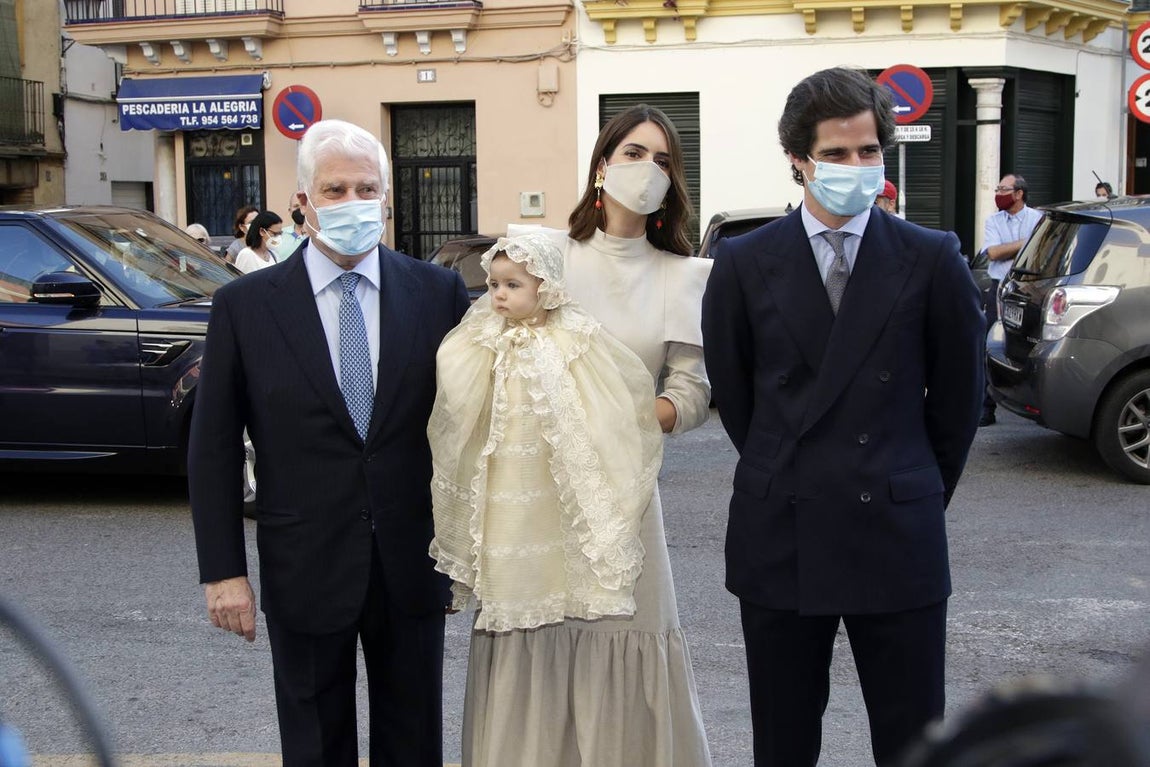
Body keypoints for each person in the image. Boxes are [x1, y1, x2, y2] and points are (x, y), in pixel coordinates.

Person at [701, 67, 985, 767]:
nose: (856, 168)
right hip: (782, 535)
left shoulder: (930, 256)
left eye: (868, 152)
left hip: (897, 531)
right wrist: (792, 467)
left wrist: (904, 483)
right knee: (784, 737)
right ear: (797, 159)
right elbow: (738, 399)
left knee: (914, 737)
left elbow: (958, 403)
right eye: (835, 153)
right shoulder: (743, 262)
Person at [187, 118, 469, 767]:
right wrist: (224, 572)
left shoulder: (438, 293)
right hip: (305, 563)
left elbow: (471, 430)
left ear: (388, 200)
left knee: (415, 740)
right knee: (315, 745)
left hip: (414, 561)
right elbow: (214, 448)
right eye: (334, 189)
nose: (351, 203)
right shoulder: (245, 306)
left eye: (365, 188)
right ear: (302, 203)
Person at [468, 104, 714, 766]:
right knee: (534, 650)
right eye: (633, 153)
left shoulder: (684, 276)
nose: (647, 170)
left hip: (623, 507)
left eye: (663, 160)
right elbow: (487, 353)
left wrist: (635, 415)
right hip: (530, 501)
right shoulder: (544, 255)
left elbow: (690, 392)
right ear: (602, 165)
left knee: (624, 650)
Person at [429, 232, 663, 635]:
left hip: (548, 460)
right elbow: (456, 384)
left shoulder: (572, 332)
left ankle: (556, 583)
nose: (499, 295)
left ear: (546, 286)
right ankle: (509, 586)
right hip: (503, 458)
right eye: (494, 285)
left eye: (513, 285)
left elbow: (603, 388)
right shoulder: (483, 333)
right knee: (505, 521)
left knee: (551, 521)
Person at [977, 172, 1042, 426]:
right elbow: (993, 252)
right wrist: (1027, 242)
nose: (998, 194)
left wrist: (1010, 248)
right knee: (989, 346)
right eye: (997, 188)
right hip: (998, 288)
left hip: (1028, 291)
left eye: (1004, 189)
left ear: (1019, 194)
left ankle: (1031, 401)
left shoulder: (1037, 219)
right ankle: (986, 407)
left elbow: (1037, 256)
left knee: (1028, 346)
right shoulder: (994, 220)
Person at [233, 210, 283, 274]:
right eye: (275, 234)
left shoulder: (273, 254)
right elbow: (242, 281)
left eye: (280, 233)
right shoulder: (247, 254)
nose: (278, 237)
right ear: (262, 231)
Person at [275, 194, 308, 261]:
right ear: (290, 211)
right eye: (296, 206)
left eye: (303, 205)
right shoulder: (280, 235)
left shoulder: (318, 234)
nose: (300, 210)